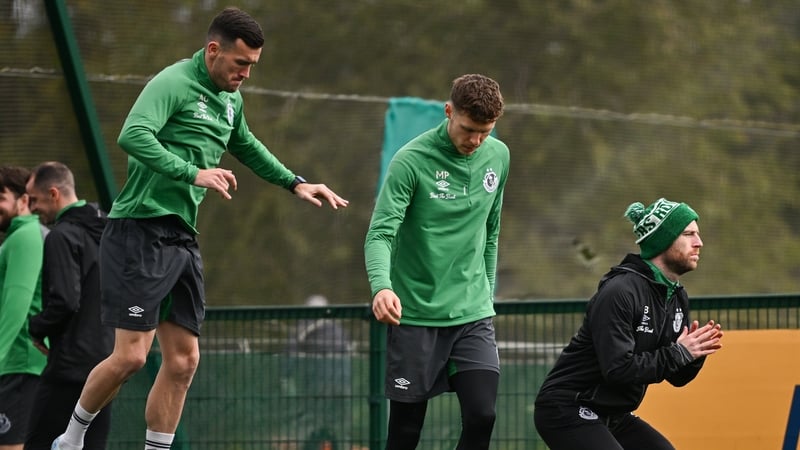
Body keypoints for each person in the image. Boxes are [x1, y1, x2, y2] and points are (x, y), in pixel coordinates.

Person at [51, 7, 348, 450]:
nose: (246, 74)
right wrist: (193, 173)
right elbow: (133, 135)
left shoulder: (232, 99)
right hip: (139, 230)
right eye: (240, 63)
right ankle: (70, 440)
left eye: (252, 65)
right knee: (131, 357)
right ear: (213, 50)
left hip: (181, 238)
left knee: (185, 361)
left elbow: (246, 146)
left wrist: (295, 182)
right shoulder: (173, 82)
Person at [364, 74, 509, 450]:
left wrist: (486, 296)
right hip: (414, 316)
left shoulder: (499, 156)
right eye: (468, 129)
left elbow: (491, 231)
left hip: (472, 314)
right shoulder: (410, 161)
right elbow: (381, 233)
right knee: (406, 434)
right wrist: (382, 286)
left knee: (482, 415)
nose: (476, 141)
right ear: (449, 112)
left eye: (485, 132)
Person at [533, 198, 724, 450]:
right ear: (663, 240)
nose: (699, 243)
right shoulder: (620, 291)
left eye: (697, 234)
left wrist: (694, 353)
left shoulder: (676, 296)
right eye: (688, 234)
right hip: (568, 407)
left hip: (614, 415)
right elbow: (618, 369)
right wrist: (679, 353)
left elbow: (677, 377)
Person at [24, 162, 114, 450]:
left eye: (34, 200)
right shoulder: (109, 230)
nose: (32, 208)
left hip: (70, 367)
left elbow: (65, 300)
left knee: (38, 442)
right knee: (91, 444)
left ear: (53, 194)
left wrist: (36, 327)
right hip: (106, 362)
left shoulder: (61, 236)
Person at [0, 166, 47, 450]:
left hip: (19, 363)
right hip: (18, 363)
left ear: (24, 200)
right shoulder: (21, 236)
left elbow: (18, 303)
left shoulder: (25, 237)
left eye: (1, 196)